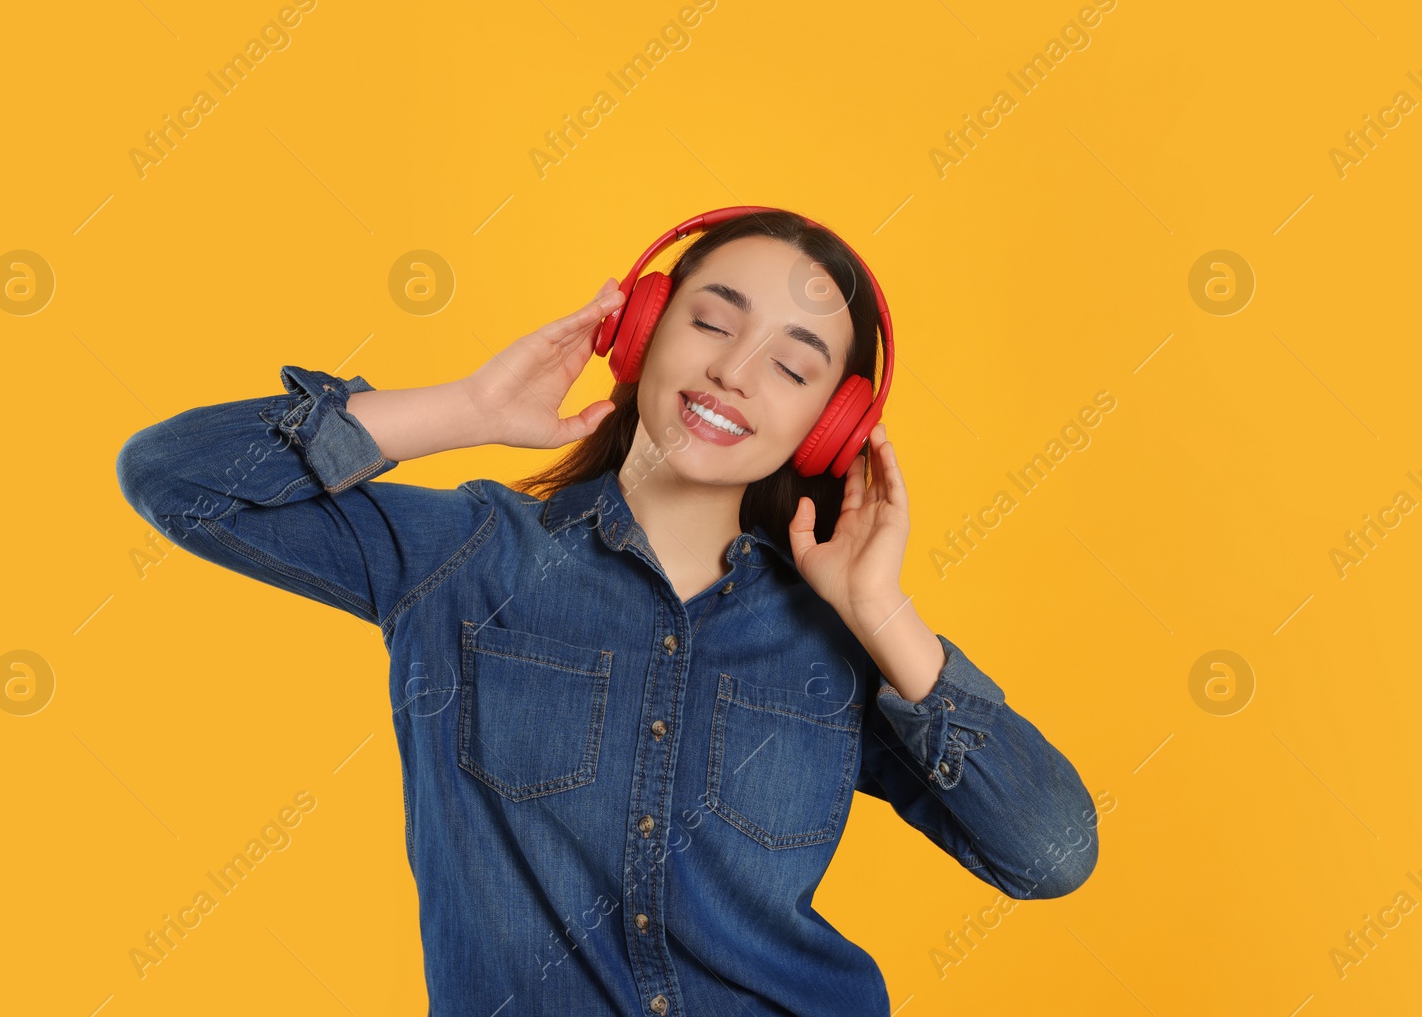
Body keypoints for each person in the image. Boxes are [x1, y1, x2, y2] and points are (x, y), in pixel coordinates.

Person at [115, 207, 1099, 1015]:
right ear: (640, 330)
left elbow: (1050, 853)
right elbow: (176, 477)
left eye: (792, 368)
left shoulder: (838, 644)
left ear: (826, 427)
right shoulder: (465, 557)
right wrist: (464, 408)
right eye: (712, 322)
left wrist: (883, 613)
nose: (732, 371)